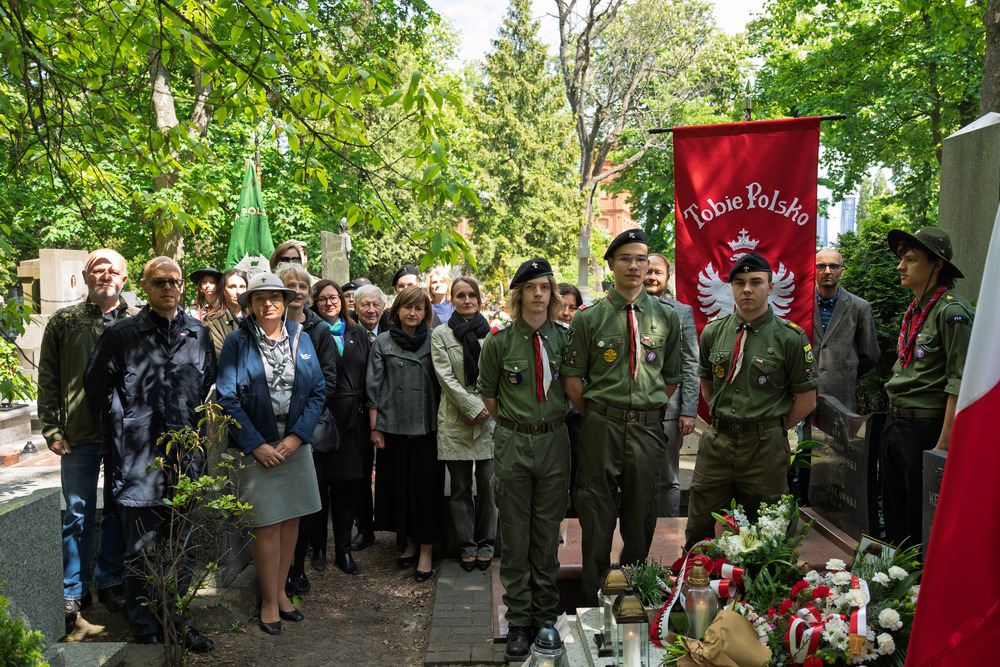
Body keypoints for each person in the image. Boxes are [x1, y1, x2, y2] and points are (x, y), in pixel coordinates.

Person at [84, 257, 216, 651]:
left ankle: (178, 622)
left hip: (186, 459)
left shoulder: (198, 334)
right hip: (138, 458)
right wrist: (124, 426)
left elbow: (209, 386)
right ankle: (146, 627)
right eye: (160, 282)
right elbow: (96, 389)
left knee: (180, 546)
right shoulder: (122, 334)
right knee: (140, 550)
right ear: (144, 286)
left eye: (175, 281)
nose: (169, 288)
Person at [563, 229, 682, 606]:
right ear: (611, 263)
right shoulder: (589, 318)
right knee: (596, 517)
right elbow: (572, 381)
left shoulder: (666, 317)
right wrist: (604, 414)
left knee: (641, 516)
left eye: (641, 258)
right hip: (601, 427)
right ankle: (592, 603)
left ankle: (632, 600)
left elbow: (671, 378)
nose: (635, 266)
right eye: (626, 258)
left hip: (647, 429)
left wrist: (641, 410)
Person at [216, 272, 325, 635]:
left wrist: (296, 437)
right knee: (266, 523)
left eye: (274, 297)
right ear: (249, 304)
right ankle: (267, 600)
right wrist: (256, 444)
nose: (268, 304)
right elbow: (227, 397)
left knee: (292, 517)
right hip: (257, 443)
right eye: (259, 298)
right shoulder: (237, 341)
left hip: (293, 441)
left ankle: (280, 593)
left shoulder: (302, 337)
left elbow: (317, 392)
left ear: (285, 300)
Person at [685, 252, 817, 549]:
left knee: (768, 534)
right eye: (740, 282)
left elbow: (807, 400)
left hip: (765, 450)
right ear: (730, 286)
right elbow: (708, 384)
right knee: (701, 530)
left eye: (756, 282)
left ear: (770, 287)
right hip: (717, 444)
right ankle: (695, 591)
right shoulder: (713, 333)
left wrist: (770, 427)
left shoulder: (790, 338)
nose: (747, 289)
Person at [477, 258, 570, 661]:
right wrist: (519, 427)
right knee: (515, 535)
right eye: (530, 288)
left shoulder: (565, 340)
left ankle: (545, 615)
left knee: (547, 534)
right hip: (514, 442)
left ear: (552, 295)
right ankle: (518, 618)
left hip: (554, 442)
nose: (537, 294)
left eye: (544, 288)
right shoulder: (498, 342)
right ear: (518, 295)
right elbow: (491, 399)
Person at [38, 249, 137, 626]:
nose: (106, 275)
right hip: (76, 434)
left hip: (123, 434)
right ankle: (73, 589)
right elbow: (48, 376)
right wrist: (51, 427)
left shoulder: (136, 321)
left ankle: (110, 580)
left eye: (114, 270)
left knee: (116, 508)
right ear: (85, 275)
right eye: (99, 269)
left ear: (124, 279)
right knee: (77, 512)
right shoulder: (65, 321)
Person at [881, 228, 972, 552]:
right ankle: (893, 585)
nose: (900, 267)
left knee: (919, 520)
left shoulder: (952, 312)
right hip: (897, 424)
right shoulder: (916, 311)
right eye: (901, 259)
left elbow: (959, 382)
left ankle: (916, 592)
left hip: (926, 428)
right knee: (895, 514)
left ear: (936, 264)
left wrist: (943, 444)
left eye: (910, 259)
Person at [367, 285, 443, 582]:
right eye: (407, 307)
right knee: (402, 489)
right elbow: (373, 386)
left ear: (426, 313)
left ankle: (426, 550)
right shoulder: (383, 342)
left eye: (419, 308)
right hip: (393, 425)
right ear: (396, 310)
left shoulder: (434, 340)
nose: (413, 313)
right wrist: (375, 427)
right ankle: (409, 542)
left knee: (426, 490)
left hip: (427, 426)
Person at [277, 265, 339, 591]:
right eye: (291, 285)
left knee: (304, 504)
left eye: (303, 285)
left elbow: (327, 382)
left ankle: (297, 567)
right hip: (274, 430)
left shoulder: (320, 330)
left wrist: (299, 424)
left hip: (307, 429)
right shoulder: (268, 327)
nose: (298, 291)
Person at [430, 276, 497, 572]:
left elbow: (499, 374)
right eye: (460, 295)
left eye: (472, 295)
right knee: (459, 488)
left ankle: (487, 542)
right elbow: (445, 376)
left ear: (479, 300)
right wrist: (470, 405)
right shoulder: (441, 334)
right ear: (452, 300)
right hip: (457, 417)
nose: (467, 300)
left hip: (489, 417)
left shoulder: (492, 334)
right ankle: (466, 544)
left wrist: (485, 406)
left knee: (489, 485)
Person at [308, 279, 370, 574]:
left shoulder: (357, 332)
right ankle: (318, 547)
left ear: (343, 302)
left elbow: (369, 377)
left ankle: (343, 550)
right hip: (319, 418)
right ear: (315, 303)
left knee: (347, 489)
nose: (330, 303)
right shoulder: (308, 332)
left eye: (334, 298)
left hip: (352, 422)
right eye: (323, 299)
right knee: (319, 488)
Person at [644, 253, 699, 517]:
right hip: (629, 409)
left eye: (658, 272)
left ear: (668, 277)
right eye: (648, 271)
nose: (652, 277)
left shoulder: (682, 312)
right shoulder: (621, 309)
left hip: (670, 410)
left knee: (668, 477)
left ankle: (667, 537)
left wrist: (689, 410)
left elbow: (690, 362)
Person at [812, 248, 880, 412]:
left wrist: (846, 373)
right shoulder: (802, 305)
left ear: (842, 272)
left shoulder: (860, 307)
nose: (827, 271)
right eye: (821, 266)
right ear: (812, 270)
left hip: (842, 399)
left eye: (833, 266)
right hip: (804, 398)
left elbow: (870, 354)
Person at [557, 282, 584, 515]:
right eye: (561, 306)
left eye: (572, 307)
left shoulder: (585, 336)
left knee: (578, 478)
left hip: (578, 420)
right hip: (552, 421)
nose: (566, 313)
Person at [205, 268, 247, 357]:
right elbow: (221, 357)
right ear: (223, 290)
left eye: (242, 287)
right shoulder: (212, 320)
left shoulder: (256, 317)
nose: (238, 292)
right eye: (232, 287)